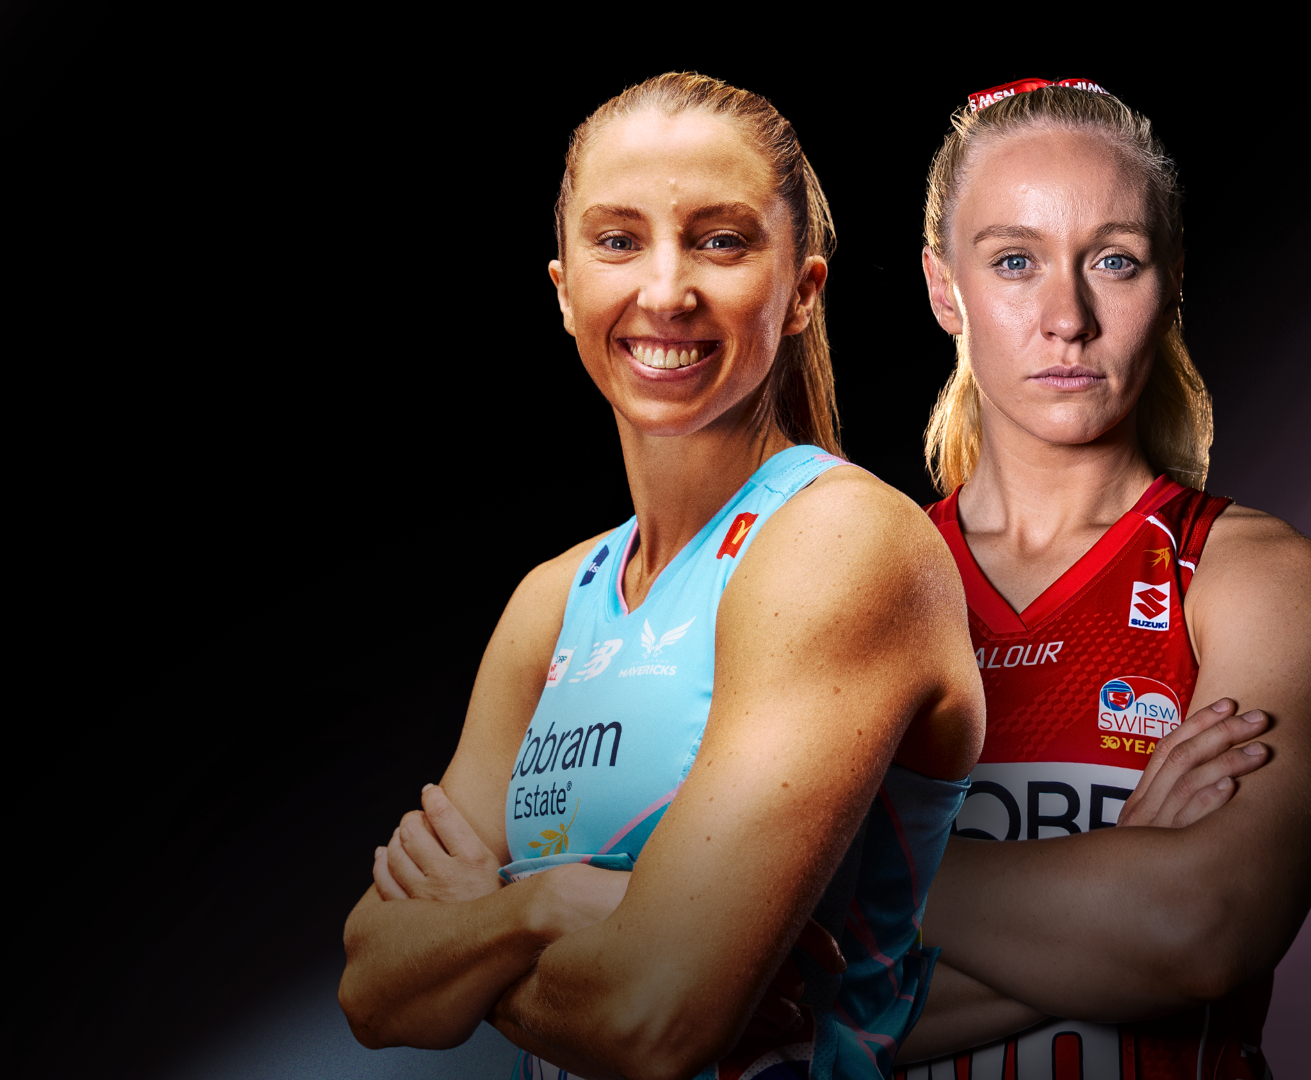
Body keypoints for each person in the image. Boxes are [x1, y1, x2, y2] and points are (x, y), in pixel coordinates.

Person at [337, 72, 985, 1080]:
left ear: (803, 290)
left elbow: (655, 1019)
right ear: (564, 292)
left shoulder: (843, 545)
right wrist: (546, 904)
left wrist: (474, 930)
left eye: (720, 240)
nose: (665, 290)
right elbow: (373, 989)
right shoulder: (555, 600)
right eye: (618, 239)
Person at [893, 82, 1311, 1079]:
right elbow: (756, 1015)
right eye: (1014, 261)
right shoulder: (860, 585)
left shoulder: (1256, 577)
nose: (1067, 318)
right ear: (944, 288)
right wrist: (1116, 872)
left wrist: (836, 881)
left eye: (1113, 261)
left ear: (1170, 283)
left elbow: (1202, 925)